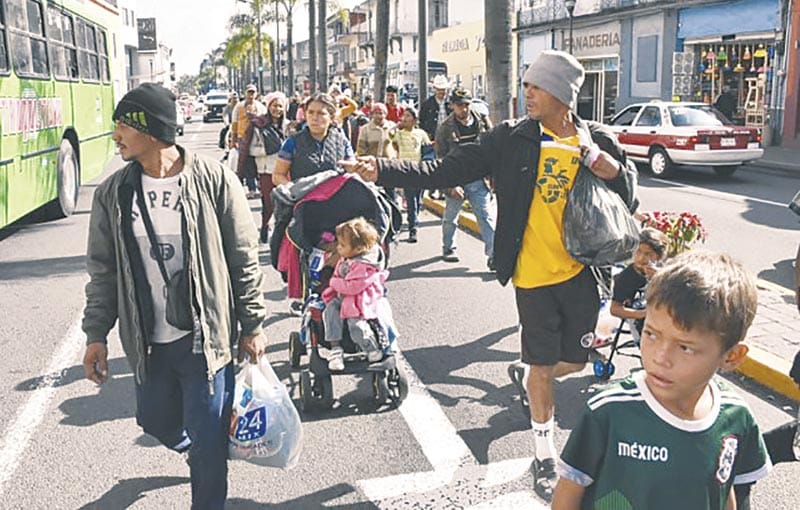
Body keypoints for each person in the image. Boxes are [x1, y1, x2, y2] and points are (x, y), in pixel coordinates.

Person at [341, 50, 637, 501]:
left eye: (536, 86)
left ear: (561, 93)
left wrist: (606, 165)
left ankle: (526, 373)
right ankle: (543, 454)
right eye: (528, 84)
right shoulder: (510, 138)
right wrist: (382, 169)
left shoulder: (596, 137)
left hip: (582, 272)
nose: (528, 93)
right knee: (543, 366)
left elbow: (629, 189)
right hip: (532, 276)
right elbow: (443, 167)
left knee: (574, 363)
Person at [81, 83, 267, 510]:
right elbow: (103, 271)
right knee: (155, 420)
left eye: (124, 124)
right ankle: (193, 447)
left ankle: (205, 458)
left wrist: (253, 325)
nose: (116, 135)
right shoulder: (113, 194)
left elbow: (243, 256)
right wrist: (96, 335)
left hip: (205, 339)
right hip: (149, 341)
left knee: (210, 445)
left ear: (151, 129)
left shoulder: (213, 179)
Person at [552, 251, 771, 510]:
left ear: (732, 356)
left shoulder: (736, 417)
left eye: (685, 347)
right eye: (651, 334)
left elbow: (724, 489)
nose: (660, 358)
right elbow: (568, 494)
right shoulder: (608, 411)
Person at [272, 92, 356, 315]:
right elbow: (278, 175)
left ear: (332, 116)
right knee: (304, 252)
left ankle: (338, 292)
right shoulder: (294, 142)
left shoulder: (341, 141)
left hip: (338, 209)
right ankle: (303, 294)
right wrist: (294, 191)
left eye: (321, 113)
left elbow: (351, 170)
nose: (315, 118)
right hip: (305, 209)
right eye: (311, 113)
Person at [435, 86, 496, 269]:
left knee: (486, 218)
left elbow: (493, 147)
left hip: (478, 179)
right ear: (452, 105)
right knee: (450, 218)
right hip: (456, 179)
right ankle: (448, 248)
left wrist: (493, 176)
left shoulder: (483, 121)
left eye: (466, 105)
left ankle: (494, 256)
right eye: (459, 105)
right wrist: (449, 186)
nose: (464, 109)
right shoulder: (445, 128)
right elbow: (440, 160)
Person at [321, 218, 389, 370]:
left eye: (342, 245)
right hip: (343, 296)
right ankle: (335, 348)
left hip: (359, 299)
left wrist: (333, 282)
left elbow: (352, 287)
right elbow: (339, 274)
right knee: (330, 310)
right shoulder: (347, 258)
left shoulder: (364, 266)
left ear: (358, 249)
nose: (338, 248)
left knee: (356, 325)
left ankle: (371, 347)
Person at [251, 91, 291, 243]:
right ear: (268, 107)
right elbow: (252, 149)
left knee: (285, 201)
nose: (277, 109)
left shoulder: (288, 126)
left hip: (285, 170)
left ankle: (281, 232)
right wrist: (269, 149)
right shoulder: (259, 125)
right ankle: (265, 225)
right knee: (268, 202)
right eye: (274, 106)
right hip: (266, 169)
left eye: (280, 106)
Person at [608, 227, 669, 326]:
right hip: (639, 320)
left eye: (648, 254)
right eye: (638, 251)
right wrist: (643, 314)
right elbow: (615, 309)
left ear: (658, 257)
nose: (641, 258)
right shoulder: (625, 277)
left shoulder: (662, 271)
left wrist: (660, 277)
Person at [390, 107, 431, 243]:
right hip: (406, 170)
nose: (405, 118)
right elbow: (390, 135)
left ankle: (414, 218)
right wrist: (397, 125)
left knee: (418, 199)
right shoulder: (399, 134)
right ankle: (413, 228)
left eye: (408, 116)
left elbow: (427, 149)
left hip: (419, 169)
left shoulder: (421, 133)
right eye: (403, 116)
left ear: (414, 119)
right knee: (411, 200)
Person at [231, 83, 267, 198]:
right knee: (246, 164)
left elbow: (265, 122)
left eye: (253, 93)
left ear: (256, 94)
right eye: (249, 92)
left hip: (257, 139)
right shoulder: (239, 107)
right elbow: (235, 123)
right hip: (243, 139)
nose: (251, 95)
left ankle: (261, 188)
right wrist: (234, 139)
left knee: (259, 163)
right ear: (245, 93)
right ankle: (252, 189)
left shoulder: (261, 107)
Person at [419, 74, 452, 140]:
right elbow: (421, 121)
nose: (441, 92)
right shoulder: (427, 104)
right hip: (433, 137)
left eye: (443, 89)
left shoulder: (452, 103)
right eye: (439, 89)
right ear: (434, 89)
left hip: (449, 137)